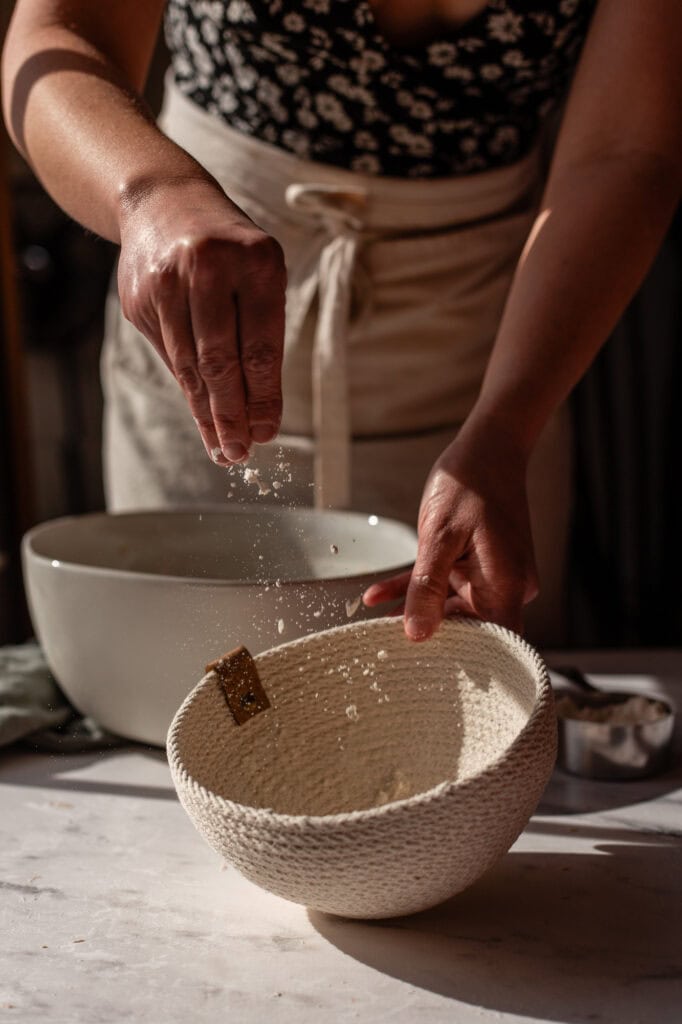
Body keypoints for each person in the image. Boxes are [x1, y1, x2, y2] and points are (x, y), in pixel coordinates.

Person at [3, 1, 681, 646]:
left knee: (456, 715)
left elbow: (625, 151)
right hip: (206, 314)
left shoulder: (508, 408)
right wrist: (151, 195)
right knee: (216, 693)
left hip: (501, 348)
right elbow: (59, 37)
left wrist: (507, 425)